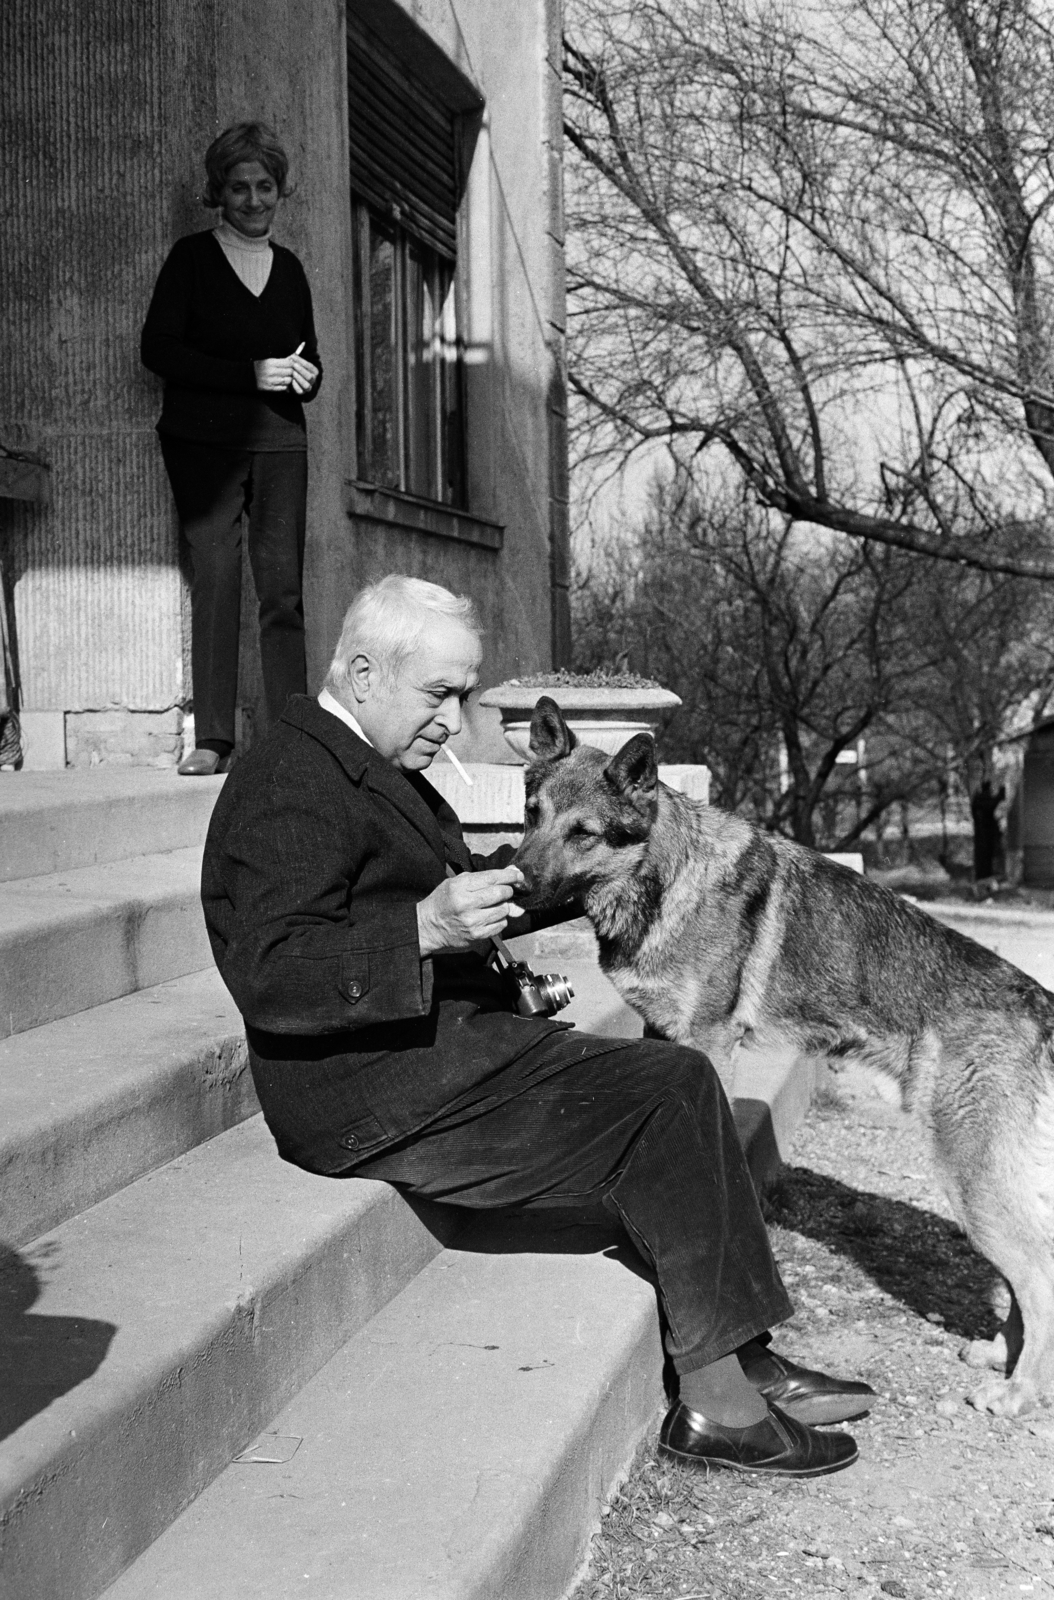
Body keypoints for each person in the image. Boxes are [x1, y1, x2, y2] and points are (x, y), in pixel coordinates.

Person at [202, 574, 873, 1476]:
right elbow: (272, 974)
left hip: (435, 1053)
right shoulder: (290, 778)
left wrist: (542, 896)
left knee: (670, 1085)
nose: (455, 716)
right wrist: (424, 930)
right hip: (368, 1094)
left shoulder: (362, 761)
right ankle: (718, 1402)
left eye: (464, 693)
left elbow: (442, 898)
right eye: (439, 692)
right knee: (670, 1088)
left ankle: (745, 1353)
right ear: (363, 674)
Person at [141, 121, 322, 776]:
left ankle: (294, 740)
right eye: (239, 187)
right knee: (215, 583)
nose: (253, 199)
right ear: (218, 192)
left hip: (280, 443)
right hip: (202, 447)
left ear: (281, 192)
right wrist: (251, 371)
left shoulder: (292, 270)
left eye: (265, 186)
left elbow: (312, 362)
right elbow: (156, 350)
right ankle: (213, 739)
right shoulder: (190, 259)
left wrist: (304, 375)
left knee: (282, 593)